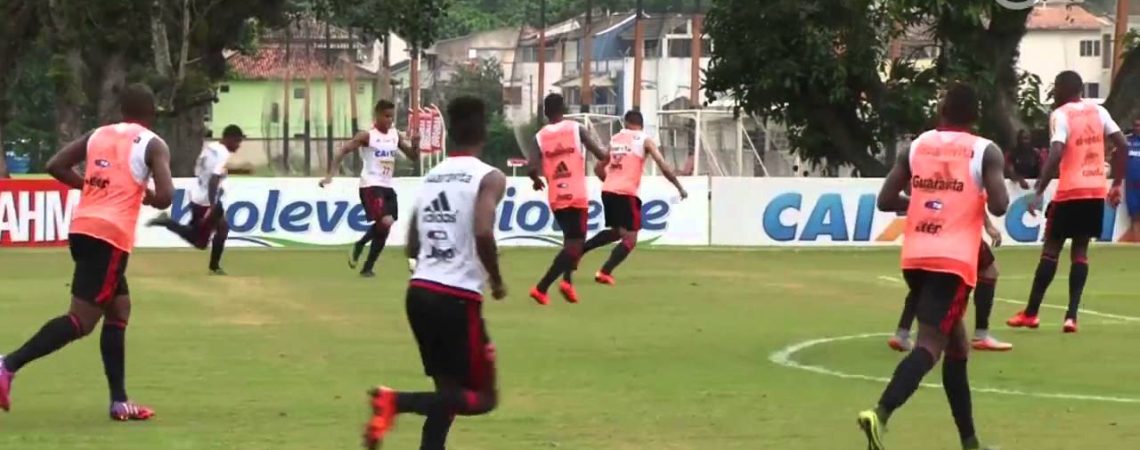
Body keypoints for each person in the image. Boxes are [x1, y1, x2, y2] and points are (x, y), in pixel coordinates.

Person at [0, 83, 175, 420]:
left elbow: (55, 165)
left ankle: (119, 401)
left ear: (122, 111)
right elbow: (166, 195)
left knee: (119, 308)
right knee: (81, 320)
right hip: (110, 237)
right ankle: (8, 365)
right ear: (151, 114)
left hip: (83, 229)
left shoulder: (99, 134)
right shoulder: (153, 144)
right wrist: (146, 195)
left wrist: (93, 187)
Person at [857, 83, 1008, 450]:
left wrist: (928, 198)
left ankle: (970, 442)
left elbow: (886, 199)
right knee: (929, 345)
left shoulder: (917, 146)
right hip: (952, 262)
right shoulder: (984, 150)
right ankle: (881, 412)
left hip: (915, 255)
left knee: (957, 348)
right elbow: (1001, 204)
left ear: (941, 109)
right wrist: (972, 196)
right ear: (975, 116)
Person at [361, 96, 507, 450]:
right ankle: (395, 401)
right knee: (483, 398)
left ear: (452, 134)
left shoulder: (432, 177)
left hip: (419, 293)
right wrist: (497, 280)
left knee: (448, 395)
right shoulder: (490, 177)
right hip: (456, 299)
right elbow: (483, 231)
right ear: (483, 132)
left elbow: (412, 244)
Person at [1007, 71, 1129, 333]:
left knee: (1051, 249)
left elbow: (1056, 152)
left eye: (1056, 89)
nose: (1054, 94)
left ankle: (1031, 313)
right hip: (1095, 189)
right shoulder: (1099, 112)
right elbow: (1122, 144)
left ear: (1063, 89)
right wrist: (1116, 183)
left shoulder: (1061, 114)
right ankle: (1071, 317)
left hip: (1071, 190)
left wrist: (1039, 190)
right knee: (1080, 252)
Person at [580, 110, 687, 285]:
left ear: (625, 122)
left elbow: (599, 169)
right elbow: (663, 165)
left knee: (617, 232)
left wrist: (611, 183)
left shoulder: (615, 139)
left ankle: (580, 250)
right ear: (641, 124)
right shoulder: (644, 140)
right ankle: (604, 272)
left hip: (608, 190)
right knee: (630, 238)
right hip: (625, 193)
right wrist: (679, 186)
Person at [320, 100, 418, 277]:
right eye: (386, 116)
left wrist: (416, 144)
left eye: (392, 116)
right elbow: (343, 151)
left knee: (385, 227)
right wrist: (330, 175)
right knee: (385, 222)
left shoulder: (395, 135)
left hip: (387, 186)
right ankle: (359, 245)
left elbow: (413, 157)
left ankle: (367, 267)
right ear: (377, 116)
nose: (390, 120)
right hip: (371, 185)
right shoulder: (367, 136)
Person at [526, 93, 608, 305]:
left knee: (569, 240)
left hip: (556, 197)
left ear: (545, 112)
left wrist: (536, 180)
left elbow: (531, 168)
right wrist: (611, 159)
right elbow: (600, 154)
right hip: (576, 195)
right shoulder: (576, 128)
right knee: (575, 245)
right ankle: (541, 287)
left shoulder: (539, 136)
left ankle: (567, 282)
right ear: (564, 109)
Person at [888, 216, 1013, 352]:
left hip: (928, 231)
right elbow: (977, 198)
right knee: (989, 271)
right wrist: (989, 226)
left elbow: (888, 202)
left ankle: (902, 333)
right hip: (958, 231)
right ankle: (980, 334)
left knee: (923, 282)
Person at [147, 125, 244, 274]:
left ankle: (214, 267)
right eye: (237, 141)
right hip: (206, 200)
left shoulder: (210, 148)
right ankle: (167, 222)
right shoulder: (223, 154)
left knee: (221, 229)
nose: (238, 146)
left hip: (198, 194)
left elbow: (199, 169)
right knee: (200, 241)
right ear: (229, 138)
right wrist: (212, 204)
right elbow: (214, 179)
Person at [1123, 119, 1140, 242]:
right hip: (1131, 186)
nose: (1137, 128)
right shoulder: (1127, 141)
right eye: (1136, 125)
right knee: (1134, 217)